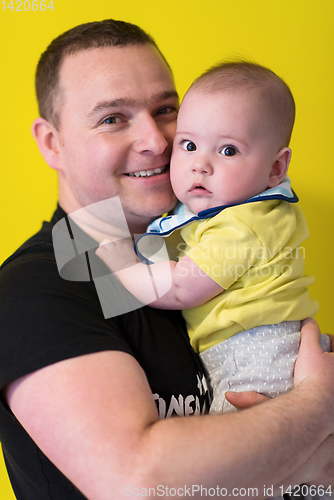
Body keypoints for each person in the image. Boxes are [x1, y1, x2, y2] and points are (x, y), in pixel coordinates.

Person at [0, 19, 333, 500]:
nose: (157, 141)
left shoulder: (201, 244)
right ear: (52, 142)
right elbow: (139, 482)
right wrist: (317, 408)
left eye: (166, 109)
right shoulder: (37, 288)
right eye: (113, 118)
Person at [96, 61, 329, 415]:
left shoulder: (244, 224)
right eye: (188, 144)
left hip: (255, 355)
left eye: (228, 150)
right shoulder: (229, 213)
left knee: (236, 449)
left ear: (275, 169)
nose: (199, 164)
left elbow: (181, 288)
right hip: (252, 347)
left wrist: (121, 263)